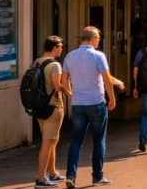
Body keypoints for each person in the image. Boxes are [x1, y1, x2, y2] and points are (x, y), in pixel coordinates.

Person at [62, 27, 117, 187]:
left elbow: (64, 79)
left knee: (76, 140)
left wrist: (71, 94)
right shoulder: (98, 56)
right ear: (93, 38)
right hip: (96, 102)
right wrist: (112, 98)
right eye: (98, 37)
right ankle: (97, 177)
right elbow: (106, 79)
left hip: (78, 104)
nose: (99, 40)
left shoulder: (70, 56)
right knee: (99, 140)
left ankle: (70, 176)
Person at [33, 36, 70, 188]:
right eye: (60, 46)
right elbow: (57, 86)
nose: (62, 49)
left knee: (52, 141)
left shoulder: (36, 62)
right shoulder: (55, 65)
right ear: (55, 48)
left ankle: (53, 173)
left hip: (39, 107)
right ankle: (41, 178)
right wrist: (69, 91)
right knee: (48, 143)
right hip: (53, 107)